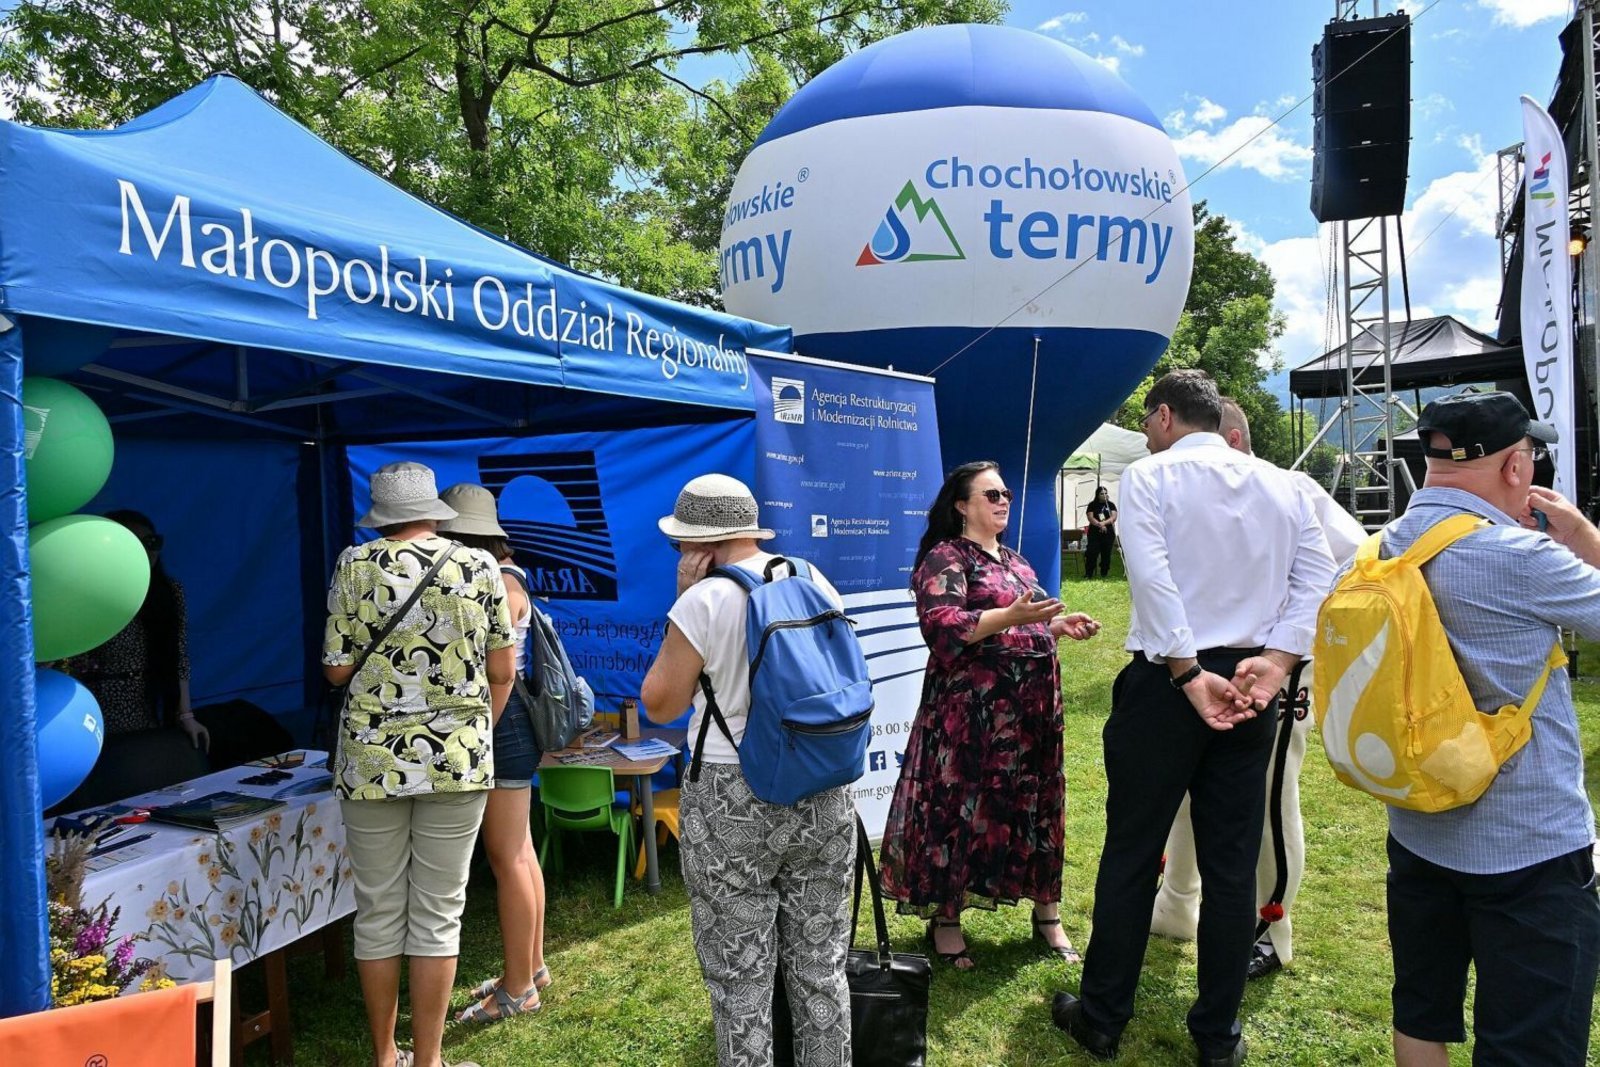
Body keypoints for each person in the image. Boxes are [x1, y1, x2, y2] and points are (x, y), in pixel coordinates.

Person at [1053, 370, 1334, 1067]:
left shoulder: (1150, 477)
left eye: (1148, 422)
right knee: (1232, 865)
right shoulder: (1286, 485)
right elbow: (1317, 579)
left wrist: (1185, 672)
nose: (1147, 433)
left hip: (1171, 681)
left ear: (1165, 417)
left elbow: (1152, 579)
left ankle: (1103, 1015)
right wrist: (1276, 660)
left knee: (1133, 849)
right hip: (1248, 682)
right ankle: (1218, 1034)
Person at [1359, 392, 1599, 1067]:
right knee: (1529, 1043)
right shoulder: (1522, 556)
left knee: (1420, 1013)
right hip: (1529, 842)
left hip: (1418, 825)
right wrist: (1585, 538)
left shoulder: (1380, 548)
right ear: (1516, 466)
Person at [640, 473, 855, 1067]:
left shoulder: (701, 601)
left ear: (697, 542)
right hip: (821, 784)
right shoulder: (811, 579)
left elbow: (660, 703)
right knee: (821, 968)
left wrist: (681, 598)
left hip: (730, 794)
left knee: (740, 981)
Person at [1151, 398, 1365, 981]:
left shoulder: (1291, 488)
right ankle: (1176, 904)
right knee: (1189, 789)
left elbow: (1354, 562)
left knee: (1269, 798)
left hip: (1272, 670)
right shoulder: (1183, 488)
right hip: (1198, 669)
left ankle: (1270, 926)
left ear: (1233, 439)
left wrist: (1287, 648)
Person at [323, 462, 514, 1067]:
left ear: (381, 515)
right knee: (438, 913)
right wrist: (475, 733)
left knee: (377, 911)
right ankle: (429, 1060)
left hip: (370, 761)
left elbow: (336, 670)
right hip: (458, 758)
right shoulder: (480, 566)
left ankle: (386, 1057)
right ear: (434, 510)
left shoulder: (355, 564)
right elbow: (502, 670)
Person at [879, 460, 1100, 971]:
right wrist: (1010, 616)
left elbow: (1027, 620)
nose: (1003, 502)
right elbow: (942, 625)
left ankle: (1047, 913)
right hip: (973, 714)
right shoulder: (946, 556)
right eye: (991, 494)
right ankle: (947, 919)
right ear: (962, 505)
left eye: (1006, 494)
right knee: (962, 806)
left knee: (1035, 803)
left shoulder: (1016, 560)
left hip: (1032, 713)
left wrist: (1058, 625)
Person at [435, 484, 551, 1025]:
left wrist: (479, 731)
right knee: (520, 852)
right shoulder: (507, 574)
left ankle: (520, 988)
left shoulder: (498, 583)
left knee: (507, 858)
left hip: (501, 727)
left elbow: (497, 674)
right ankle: (530, 968)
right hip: (511, 726)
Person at [1083, 486, 1117, 578]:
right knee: (1091, 552)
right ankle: (1089, 573)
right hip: (1094, 533)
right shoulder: (1092, 505)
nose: (1104, 495)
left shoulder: (1111, 505)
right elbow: (1090, 517)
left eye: (1106, 493)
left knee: (1106, 553)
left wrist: (1104, 523)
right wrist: (1099, 525)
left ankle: (1104, 573)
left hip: (1108, 533)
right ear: (1097, 495)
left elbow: (1113, 517)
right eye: (1102, 494)